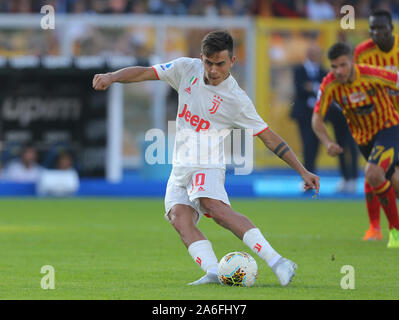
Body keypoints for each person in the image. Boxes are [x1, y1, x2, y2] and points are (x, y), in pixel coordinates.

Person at [93, 30, 320, 286]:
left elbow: (268, 137)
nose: (213, 70)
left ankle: (279, 262)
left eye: (220, 63)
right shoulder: (185, 69)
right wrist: (112, 76)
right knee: (179, 218)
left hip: (208, 162)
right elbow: (146, 72)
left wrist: (303, 171)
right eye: (208, 62)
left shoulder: (236, 100)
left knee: (215, 208)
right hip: (181, 164)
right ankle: (214, 272)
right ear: (201, 57)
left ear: (232, 61)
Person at [312, 42, 399, 248]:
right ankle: (377, 228)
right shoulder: (330, 84)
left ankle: (394, 232)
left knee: (373, 173)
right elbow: (316, 119)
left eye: (343, 65)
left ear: (352, 60)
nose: (338, 71)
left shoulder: (372, 73)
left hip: (389, 129)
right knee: (392, 183)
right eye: (334, 66)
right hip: (364, 139)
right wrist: (328, 142)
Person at [354, 9, 399, 240]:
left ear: (391, 28)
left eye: (380, 28)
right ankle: (375, 228)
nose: (375, 33)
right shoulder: (362, 52)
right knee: (374, 171)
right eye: (372, 28)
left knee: (388, 178)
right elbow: (356, 82)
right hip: (380, 123)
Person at [291, 45, 358, 192]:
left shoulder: (328, 75)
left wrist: (312, 87)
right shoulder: (307, 72)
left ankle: (350, 178)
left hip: (327, 113)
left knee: (347, 146)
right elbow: (302, 89)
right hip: (306, 114)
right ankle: (308, 179)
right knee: (309, 148)